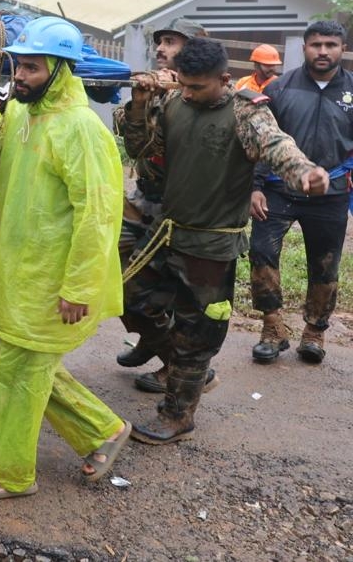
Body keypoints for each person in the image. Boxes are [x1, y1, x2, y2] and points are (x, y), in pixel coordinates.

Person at [120, 38, 326, 444]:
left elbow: (276, 145)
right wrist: (141, 104)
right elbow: (140, 148)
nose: (189, 93)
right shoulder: (176, 103)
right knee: (129, 295)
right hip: (167, 234)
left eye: (199, 87)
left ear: (224, 79)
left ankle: (178, 415)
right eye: (184, 84)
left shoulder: (245, 112)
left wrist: (304, 172)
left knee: (197, 335)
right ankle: (176, 362)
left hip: (211, 249)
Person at [0, 16, 130, 500]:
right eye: (19, 66)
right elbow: (8, 148)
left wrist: (79, 288)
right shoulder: (23, 112)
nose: (20, 76)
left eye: (32, 69)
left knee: (17, 373)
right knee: (31, 367)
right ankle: (102, 431)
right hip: (15, 272)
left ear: (60, 70)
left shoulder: (82, 129)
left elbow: (99, 216)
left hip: (50, 281)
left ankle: (12, 474)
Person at [248, 21, 351, 365]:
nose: (323, 51)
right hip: (278, 191)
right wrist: (255, 187)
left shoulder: (351, 90)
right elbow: (260, 141)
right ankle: (272, 328)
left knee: (325, 264)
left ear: (342, 48)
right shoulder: (280, 88)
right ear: (304, 47)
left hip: (331, 192)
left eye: (331, 45)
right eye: (316, 44)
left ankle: (314, 332)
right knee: (262, 253)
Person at [112, 17, 207, 380]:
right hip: (143, 200)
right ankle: (151, 338)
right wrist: (142, 99)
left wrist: (170, 93)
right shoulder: (155, 85)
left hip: (180, 209)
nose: (162, 49)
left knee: (151, 288)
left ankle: (176, 365)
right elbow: (126, 130)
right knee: (113, 277)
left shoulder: (200, 93)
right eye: (161, 42)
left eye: (172, 42)